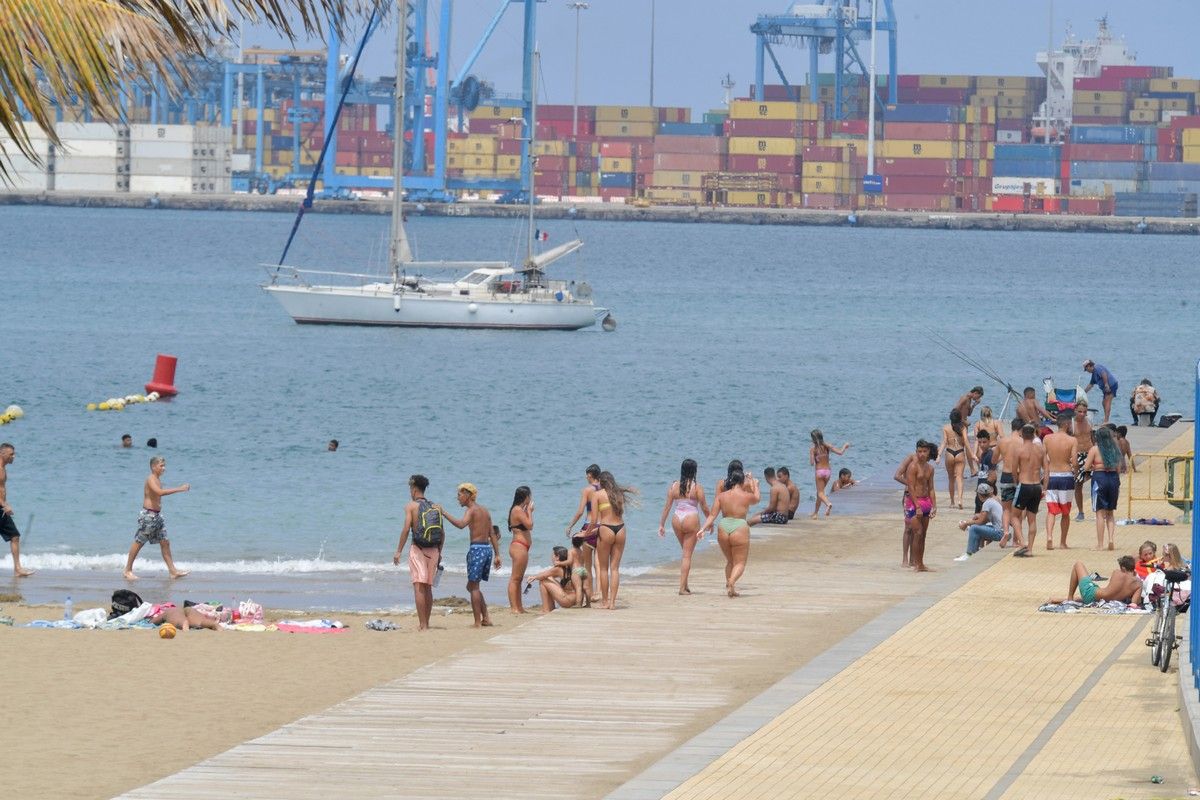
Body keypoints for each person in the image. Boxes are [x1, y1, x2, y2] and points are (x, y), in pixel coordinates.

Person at [439, 483, 500, 628]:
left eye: (459, 495)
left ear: (468, 495)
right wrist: (497, 554)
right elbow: (492, 534)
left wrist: (444, 513)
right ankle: (485, 617)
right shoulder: (485, 511)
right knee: (472, 586)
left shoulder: (471, 510)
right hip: (487, 549)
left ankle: (477, 622)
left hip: (477, 549)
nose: (458, 498)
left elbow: (461, 524)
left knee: (473, 588)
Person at [123, 455, 190, 580]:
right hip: (148, 516)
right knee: (139, 542)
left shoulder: (157, 479)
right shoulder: (151, 479)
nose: (164, 468)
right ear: (154, 467)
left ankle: (173, 571)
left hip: (157, 516)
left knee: (165, 542)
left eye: (164, 465)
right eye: (161, 466)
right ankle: (127, 570)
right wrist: (180, 489)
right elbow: (159, 492)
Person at [697, 466, 760, 597]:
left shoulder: (721, 496)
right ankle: (731, 581)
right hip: (740, 527)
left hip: (723, 526)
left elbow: (712, 515)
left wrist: (702, 529)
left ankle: (730, 587)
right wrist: (754, 482)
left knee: (730, 561)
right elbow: (757, 498)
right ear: (742, 482)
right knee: (740, 563)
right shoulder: (746, 496)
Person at [393, 474, 442, 631]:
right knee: (428, 587)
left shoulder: (411, 506)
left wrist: (398, 551)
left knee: (419, 587)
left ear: (414, 489)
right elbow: (442, 532)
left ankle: (423, 625)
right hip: (434, 550)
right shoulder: (435, 506)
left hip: (418, 549)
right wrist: (439, 552)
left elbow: (406, 529)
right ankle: (426, 622)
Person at [656, 458, 709, 595]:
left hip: (676, 519)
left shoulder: (674, 486)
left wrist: (661, 524)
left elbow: (667, 507)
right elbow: (704, 507)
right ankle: (681, 588)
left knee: (685, 553)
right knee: (687, 556)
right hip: (691, 519)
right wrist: (710, 522)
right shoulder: (697, 487)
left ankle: (685, 585)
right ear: (694, 471)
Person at [589, 471, 637, 610]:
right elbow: (619, 513)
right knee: (615, 568)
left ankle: (605, 602)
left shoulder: (597, 495)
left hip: (606, 529)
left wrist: (586, 532)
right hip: (620, 529)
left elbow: (593, 521)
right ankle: (613, 603)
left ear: (601, 482)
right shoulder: (619, 494)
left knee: (603, 569)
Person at [1042, 412, 1078, 551]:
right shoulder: (1072, 440)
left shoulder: (1047, 438)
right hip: (1066, 476)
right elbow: (1074, 461)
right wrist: (1076, 471)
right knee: (1065, 512)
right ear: (1067, 424)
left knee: (1051, 510)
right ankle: (1062, 542)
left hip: (1052, 475)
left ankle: (1049, 536)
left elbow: (1043, 458)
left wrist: (1046, 471)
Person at [565, 464, 601, 599]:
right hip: (601, 526)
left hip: (589, 525)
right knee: (599, 562)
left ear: (590, 475)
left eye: (587, 475)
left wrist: (570, 525)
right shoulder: (604, 489)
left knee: (587, 563)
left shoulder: (587, 490)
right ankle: (599, 592)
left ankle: (590, 593)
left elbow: (580, 512)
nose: (586, 477)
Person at [1011, 424, 1048, 557]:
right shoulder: (1040, 450)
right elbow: (1046, 470)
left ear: (1021, 434)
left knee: (1014, 515)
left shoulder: (1019, 450)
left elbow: (1014, 470)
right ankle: (1030, 550)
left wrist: (1016, 483)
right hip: (1037, 486)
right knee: (1032, 519)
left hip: (1024, 485)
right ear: (1034, 435)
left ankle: (1022, 543)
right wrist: (1045, 487)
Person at [1047, 555, 1142, 606]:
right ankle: (1055, 600)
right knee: (1085, 597)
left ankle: (1070, 598)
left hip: (1093, 595)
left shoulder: (1117, 572)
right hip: (1105, 601)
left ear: (1123, 568)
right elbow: (1134, 603)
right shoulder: (1138, 583)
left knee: (1078, 564)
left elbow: (1111, 590)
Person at [901, 440, 937, 572]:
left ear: (928, 453)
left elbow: (931, 488)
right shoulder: (913, 467)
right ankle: (916, 563)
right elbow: (910, 487)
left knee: (924, 534)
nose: (922, 454)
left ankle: (921, 563)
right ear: (916, 452)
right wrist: (917, 506)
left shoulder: (930, 468)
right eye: (919, 451)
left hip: (926, 501)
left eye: (925, 451)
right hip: (913, 502)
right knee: (917, 532)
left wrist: (934, 505)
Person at [0, 443, 33, 577]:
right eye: (11, 454)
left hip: (1, 508)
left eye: (14, 454)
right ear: (2, 454)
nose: (13, 457)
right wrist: (4, 505)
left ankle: (18, 569)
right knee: (15, 536)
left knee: (14, 536)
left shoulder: (3, 468)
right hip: (1, 507)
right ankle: (17, 569)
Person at [1086, 426, 1122, 551]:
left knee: (1100, 513)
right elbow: (1118, 469)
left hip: (1099, 478)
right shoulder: (1115, 449)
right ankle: (1111, 540)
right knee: (1110, 513)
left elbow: (1086, 467)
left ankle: (1100, 544)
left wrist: (1092, 467)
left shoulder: (1095, 449)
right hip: (1113, 478)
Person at [955, 483, 1004, 560]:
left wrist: (966, 523)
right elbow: (985, 519)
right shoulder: (992, 500)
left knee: (974, 528)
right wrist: (972, 520)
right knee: (975, 527)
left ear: (979, 495)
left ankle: (969, 553)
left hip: (1000, 533)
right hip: (1002, 530)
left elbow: (981, 521)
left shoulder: (987, 503)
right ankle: (976, 551)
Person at [995, 419, 1024, 548]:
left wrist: (1004, 455)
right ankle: (1015, 541)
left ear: (1012, 427)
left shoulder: (1002, 441)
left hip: (1005, 476)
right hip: (1019, 476)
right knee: (1017, 512)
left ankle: (1006, 532)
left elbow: (994, 459)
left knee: (1006, 509)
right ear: (1021, 429)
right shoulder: (1023, 442)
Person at [938, 410, 975, 510]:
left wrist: (938, 455)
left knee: (951, 479)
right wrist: (972, 455)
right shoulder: (963, 428)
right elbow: (966, 442)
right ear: (960, 418)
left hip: (949, 453)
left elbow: (944, 442)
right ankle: (960, 500)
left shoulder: (945, 428)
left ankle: (952, 502)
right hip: (960, 453)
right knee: (959, 478)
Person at [506, 485, 534, 614]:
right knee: (515, 578)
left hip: (522, 547)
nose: (531, 498)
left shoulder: (518, 509)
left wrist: (527, 510)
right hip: (519, 546)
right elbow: (530, 525)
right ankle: (514, 608)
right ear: (526, 497)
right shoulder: (517, 509)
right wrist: (529, 510)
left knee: (519, 578)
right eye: (530, 496)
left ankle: (519, 607)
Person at [809, 430, 850, 517]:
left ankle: (828, 504)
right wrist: (845, 446)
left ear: (813, 439)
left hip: (819, 472)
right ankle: (815, 513)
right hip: (828, 472)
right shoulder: (827, 446)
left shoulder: (813, 449)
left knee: (820, 493)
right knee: (820, 493)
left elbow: (812, 463)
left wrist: (812, 455)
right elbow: (840, 452)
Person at [526, 546, 578, 612]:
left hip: (567, 601)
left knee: (543, 580)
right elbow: (548, 574)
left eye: (552, 555)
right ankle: (550, 607)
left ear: (557, 557)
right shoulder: (567, 566)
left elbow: (543, 575)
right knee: (549, 578)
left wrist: (533, 577)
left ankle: (546, 609)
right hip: (574, 599)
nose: (551, 557)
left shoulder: (558, 568)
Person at [1070, 400, 1094, 523]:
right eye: (1080, 411)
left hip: (1090, 452)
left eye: (1084, 412)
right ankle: (1080, 512)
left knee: (1098, 479)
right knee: (1078, 485)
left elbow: (1093, 437)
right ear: (1075, 410)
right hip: (1078, 454)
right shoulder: (1072, 424)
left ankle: (1100, 509)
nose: (1082, 414)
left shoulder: (1089, 420)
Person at [1082, 359, 1118, 424]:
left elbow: (1103, 374)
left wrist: (1106, 384)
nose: (1087, 371)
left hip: (1111, 385)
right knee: (1103, 403)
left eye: (1086, 369)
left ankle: (1106, 421)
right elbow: (1091, 384)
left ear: (1089, 366)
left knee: (1107, 401)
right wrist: (1083, 392)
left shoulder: (1097, 368)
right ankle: (1106, 419)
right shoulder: (1094, 374)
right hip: (1105, 389)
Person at [973, 430, 997, 514]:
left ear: (989, 441)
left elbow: (993, 476)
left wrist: (984, 490)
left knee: (984, 514)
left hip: (986, 490)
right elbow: (984, 471)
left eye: (984, 442)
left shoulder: (990, 455)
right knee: (978, 511)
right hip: (981, 488)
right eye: (980, 442)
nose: (982, 445)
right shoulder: (983, 455)